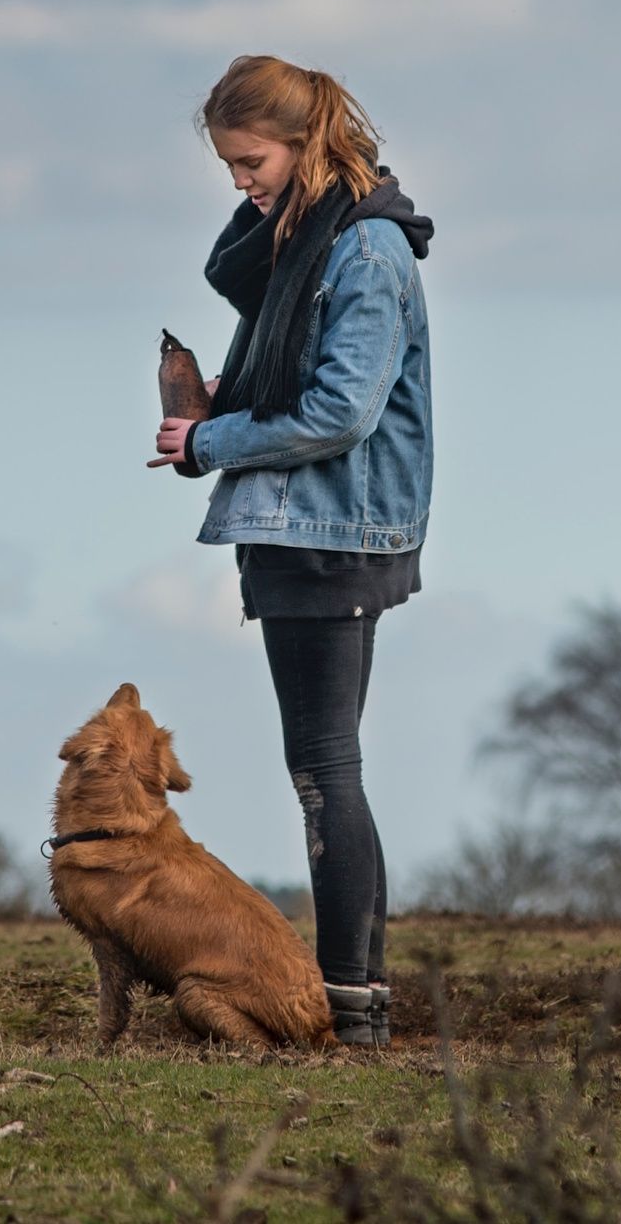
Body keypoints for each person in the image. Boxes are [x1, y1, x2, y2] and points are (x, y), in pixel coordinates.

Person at [147, 54, 433, 1047]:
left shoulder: (362, 254)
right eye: (227, 166)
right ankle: (355, 1000)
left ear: (304, 141)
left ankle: (346, 1004)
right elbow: (299, 383)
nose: (239, 182)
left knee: (322, 767)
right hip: (302, 525)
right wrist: (215, 411)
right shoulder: (305, 243)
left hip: (332, 529)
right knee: (324, 764)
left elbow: (339, 413)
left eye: (249, 160)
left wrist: (209, 440)